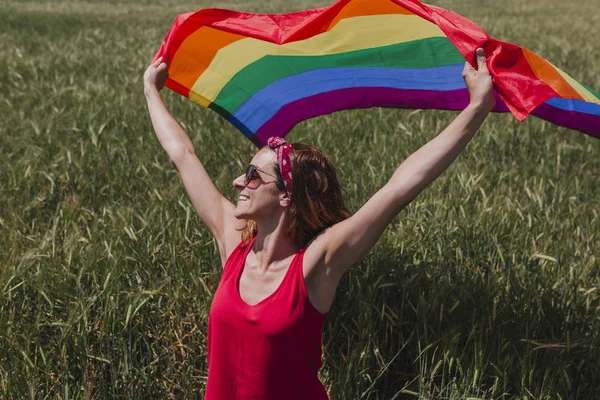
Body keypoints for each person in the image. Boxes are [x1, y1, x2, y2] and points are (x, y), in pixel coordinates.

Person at [143, 47, 495, 399]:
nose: (237, 182)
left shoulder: (314, 264)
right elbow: (183, 156)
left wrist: (477, 107)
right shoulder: (233, 242)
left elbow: (398, 189)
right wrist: (150, 89)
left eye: (252, 176)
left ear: (285, 196)